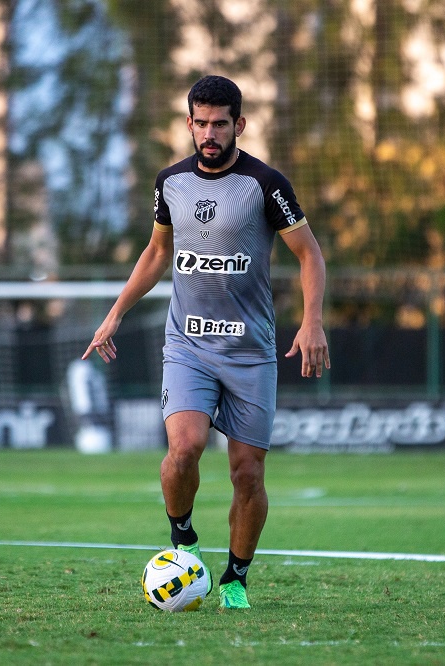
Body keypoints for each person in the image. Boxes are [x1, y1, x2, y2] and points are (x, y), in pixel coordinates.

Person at [82, 75, 330, 609]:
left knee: (247, 472)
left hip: (250, 352)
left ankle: (236, 579)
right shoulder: (170, 182)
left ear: (239, 124)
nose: (210, 133)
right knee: (184, 448)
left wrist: (311, 322)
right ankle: (183, 540)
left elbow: (309, 254)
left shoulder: (266, 185)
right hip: (188, 345)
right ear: (189, 123)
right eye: (201, 122)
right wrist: (115, 314)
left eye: (220, 123)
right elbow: (156, 253)